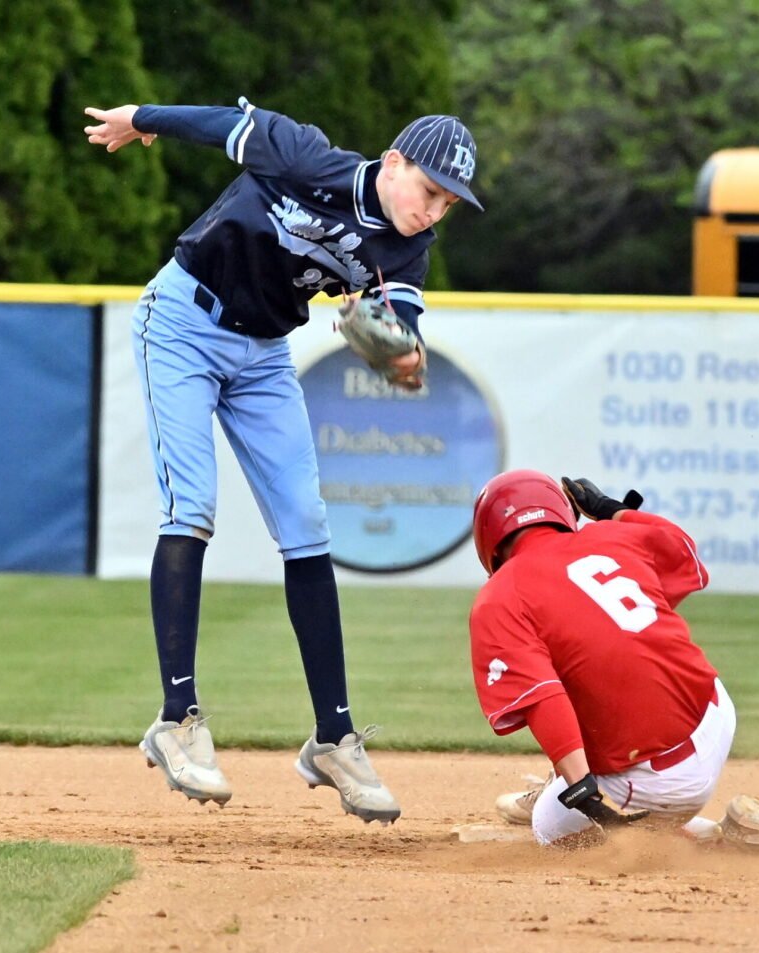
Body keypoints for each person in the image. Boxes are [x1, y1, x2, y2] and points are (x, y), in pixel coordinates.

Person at [83, 98, 483, 823]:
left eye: (448, 204)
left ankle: (333, 737)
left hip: (264, 354)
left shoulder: (404, 251)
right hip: (182, 322)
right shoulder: (305, 156)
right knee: (192, 507)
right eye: (429, 191)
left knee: (307, 524)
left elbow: (404, 345)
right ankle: (177, 719)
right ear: (393, 164)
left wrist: (398, 354)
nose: (433, 212)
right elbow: (216, 124)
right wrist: (139, 119)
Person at [469, 470, 759, 849]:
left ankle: (715, 836)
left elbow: (543, 699)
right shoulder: (611, 535)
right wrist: (612, 511)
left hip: (657, 782)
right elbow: (681, 546)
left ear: (487, 537)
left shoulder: (498, 598)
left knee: (549, 828)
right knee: (591, 666)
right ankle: (570, 784)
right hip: (714, 712)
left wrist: (581, 791)